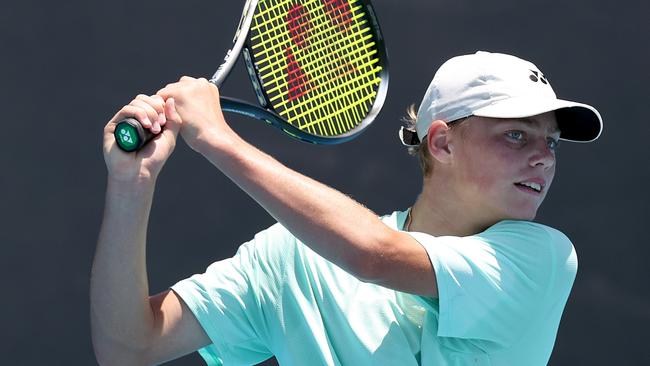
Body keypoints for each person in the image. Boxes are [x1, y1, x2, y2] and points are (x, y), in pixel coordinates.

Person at [91, 51, 603, 365]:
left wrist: (218, 140)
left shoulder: (544, 260)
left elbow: (374, 256)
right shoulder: (291, 257)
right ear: (442, 144)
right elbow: (130, 348)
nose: (543, 158)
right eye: (516, 135)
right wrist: (131, 186)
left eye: (551, 143)